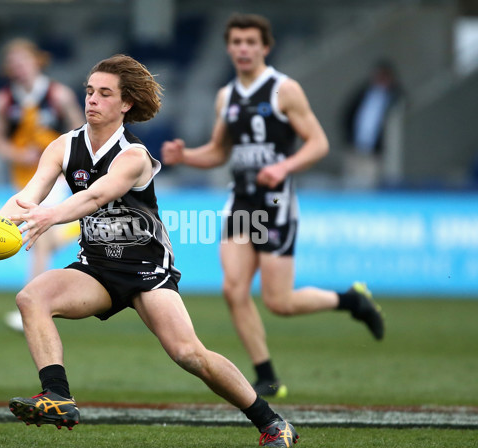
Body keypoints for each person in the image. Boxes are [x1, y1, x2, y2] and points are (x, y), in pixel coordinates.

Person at [0, 54, 298, 448]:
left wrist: (50, 216)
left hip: (147, 271)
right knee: (31, 297)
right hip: (96, 268)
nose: (92, 100)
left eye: (104, 94)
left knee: (189, 354)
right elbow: (27, 196)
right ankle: (58, 396)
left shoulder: (133, 156)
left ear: (125, 104)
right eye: (89, 92)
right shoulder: (63, 147)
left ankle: (271, 421)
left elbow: (97, 195)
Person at [161, 13, 385, 398]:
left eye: (251, 42)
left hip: (276, 202)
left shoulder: (285, 90)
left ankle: (351, 300)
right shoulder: (225, 96)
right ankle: (267, 376)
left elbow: (318, 142)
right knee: (233, 289)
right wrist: (186, 157)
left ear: (265, 47)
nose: (243, 49)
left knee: (279, 302)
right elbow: (219, 151)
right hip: (242, 201)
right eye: (236, 42)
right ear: (229, 48)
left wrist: (284, 166)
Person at [0, 38, 85, 331]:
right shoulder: (3, 100)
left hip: (55, 177)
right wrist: (18, 153)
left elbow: (80, 131)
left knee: (38, 237)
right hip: (23, 179)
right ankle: (77, 226)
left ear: (36, 61)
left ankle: (30, 306)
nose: (19, 68)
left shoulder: (59, 95)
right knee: (43, 239)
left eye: (23, 61)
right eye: (13, 63)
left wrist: (56, 155)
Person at [341, 59, 403, 190]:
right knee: (350, 185)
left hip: (374, 153)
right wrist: (348, 138)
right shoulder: (363, 93)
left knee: (369, 187)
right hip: (355, 149)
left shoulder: (394, 97)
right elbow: (347, 114)